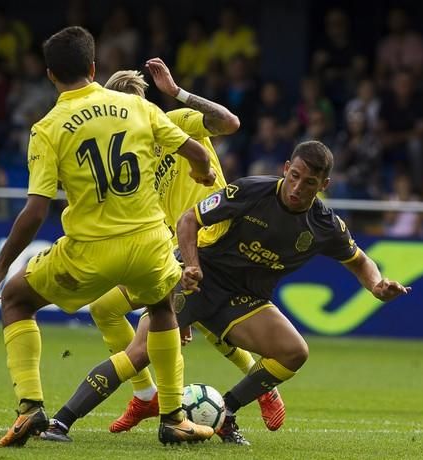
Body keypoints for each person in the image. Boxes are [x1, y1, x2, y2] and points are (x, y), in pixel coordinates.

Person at [39, 140, 410, 446]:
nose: (298, 188)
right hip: (199, 283)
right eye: (295, 176)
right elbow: (189, 220)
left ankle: (225, 412)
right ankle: (60, 423)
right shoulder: (251, 191)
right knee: (140, 354)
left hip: (243, 302)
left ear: (324, 184)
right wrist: (191, 265)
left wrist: (377, 285)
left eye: (309, 183)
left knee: (294, 352)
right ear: (285, 168)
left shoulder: (325, 226)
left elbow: (360, 261)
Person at [0, 26, 216, 447]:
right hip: (147, 245)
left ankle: (30, 408)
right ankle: (174, 417)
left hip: (88, 253)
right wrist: (203, 171)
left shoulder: (47, 128)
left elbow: (35, 211)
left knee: (17, 298)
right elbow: (195, 150)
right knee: (161, 308)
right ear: (93, 66)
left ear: (50, 75)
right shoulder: (136, 108)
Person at [40, 58, 285, 440]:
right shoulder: (128, 157)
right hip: (177, 246)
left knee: (173, 326)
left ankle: (82, 415)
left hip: (217, 240)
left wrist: (179, 93)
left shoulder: (175, 122)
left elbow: (230, 123)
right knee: (107, 308)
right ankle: (147, 393)